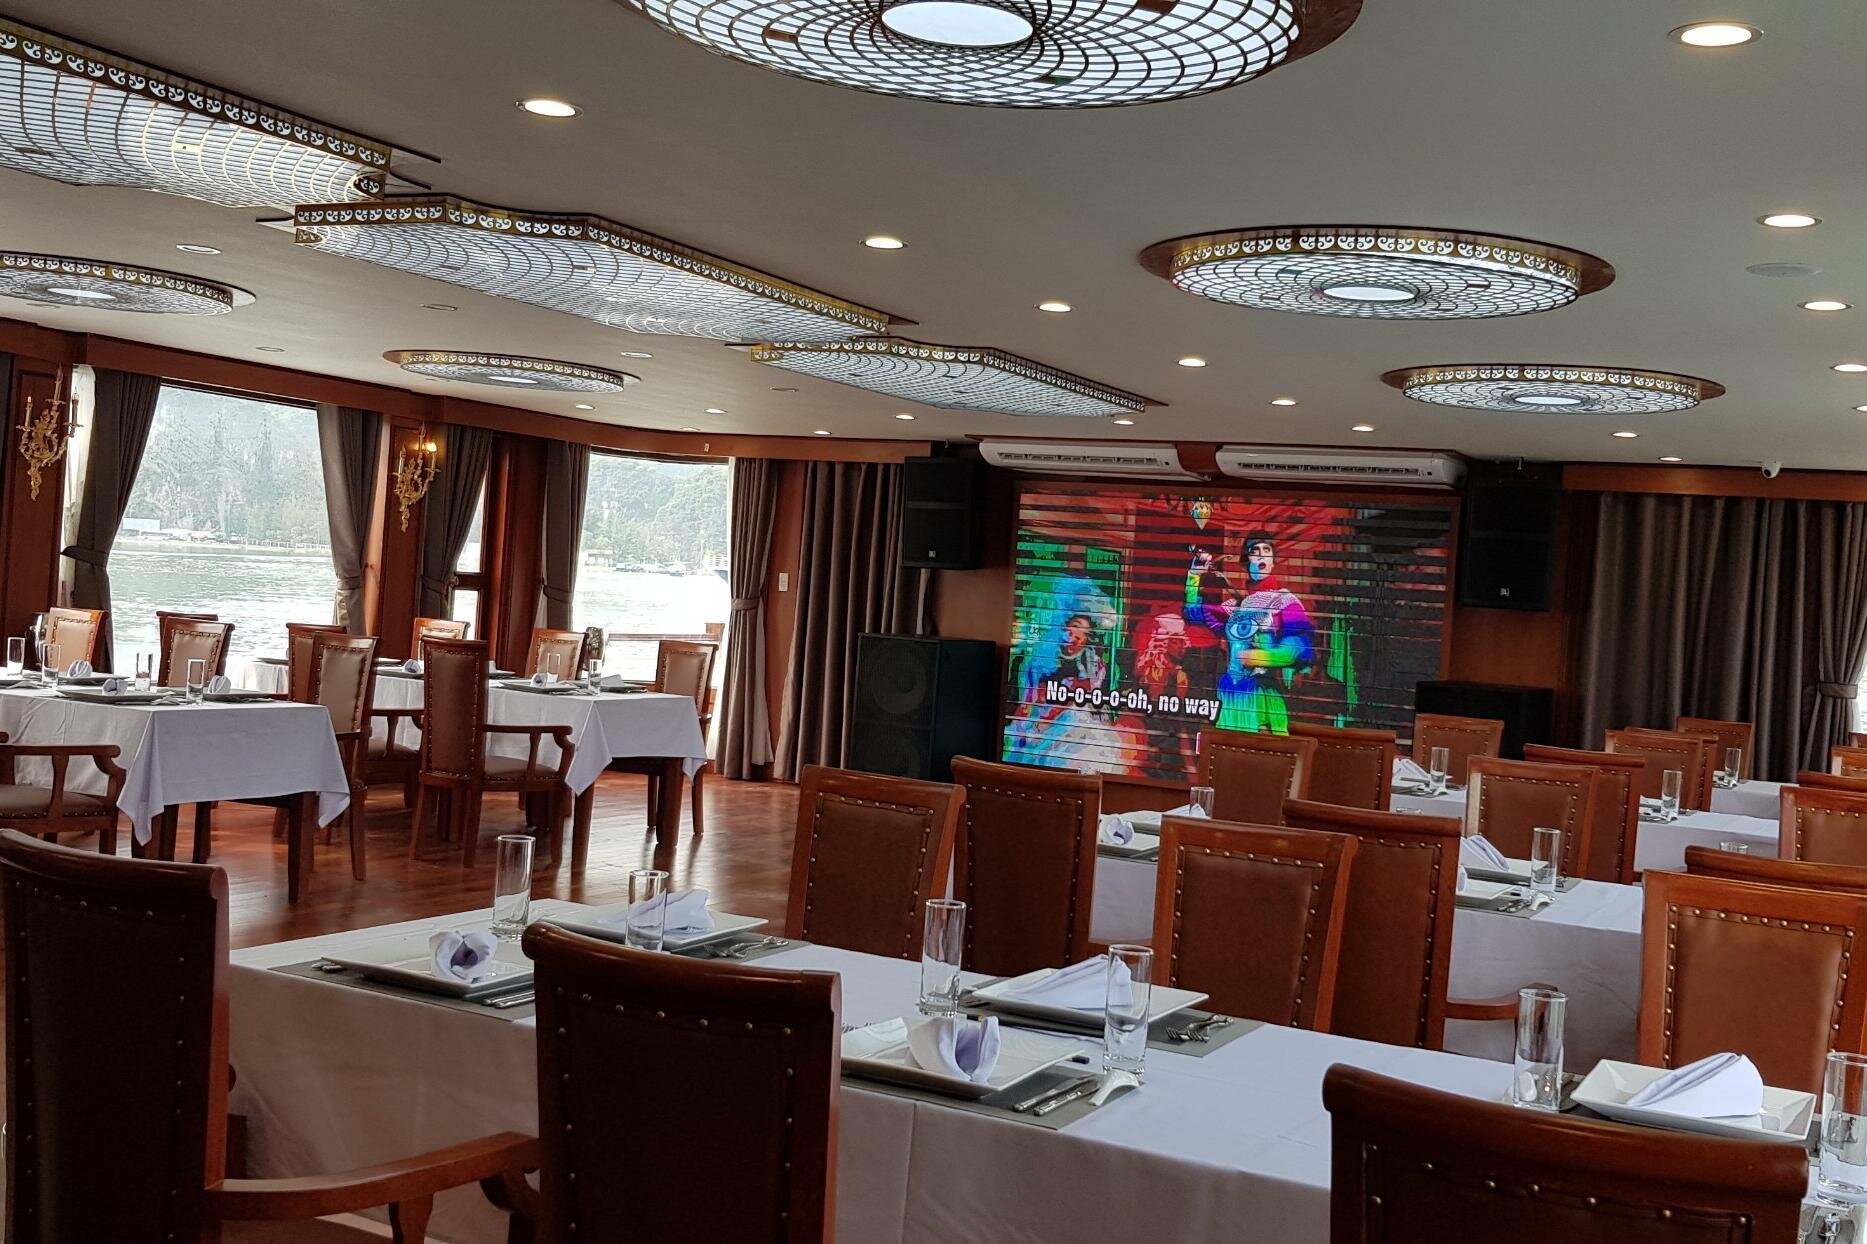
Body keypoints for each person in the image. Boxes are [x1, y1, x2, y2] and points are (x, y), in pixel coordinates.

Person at [1183, 532, 1315, 733]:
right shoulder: (1236, 607)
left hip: (1262, 697)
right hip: (1232, 695)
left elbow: (1301, 648)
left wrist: (1260, 657)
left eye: (1266, 550)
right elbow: (1193, 613)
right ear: (1247, 561)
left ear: (1273, 561)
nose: (1261, 555)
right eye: (1255, 551)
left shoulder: (1285, 601)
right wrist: (1194, 576)